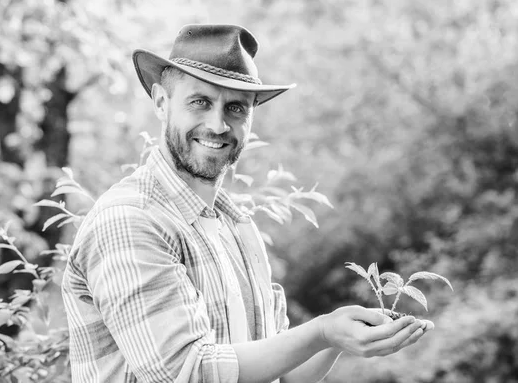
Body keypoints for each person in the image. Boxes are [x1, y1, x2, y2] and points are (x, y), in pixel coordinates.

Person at [62, 24, 433, 383]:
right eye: (200, 102)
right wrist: (320, 332)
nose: (219, 125)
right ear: (161, 102)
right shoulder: (130, 220)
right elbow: (187, 373)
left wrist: (340, 336)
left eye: (236, 108)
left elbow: (283, 372)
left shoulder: (237, 227)